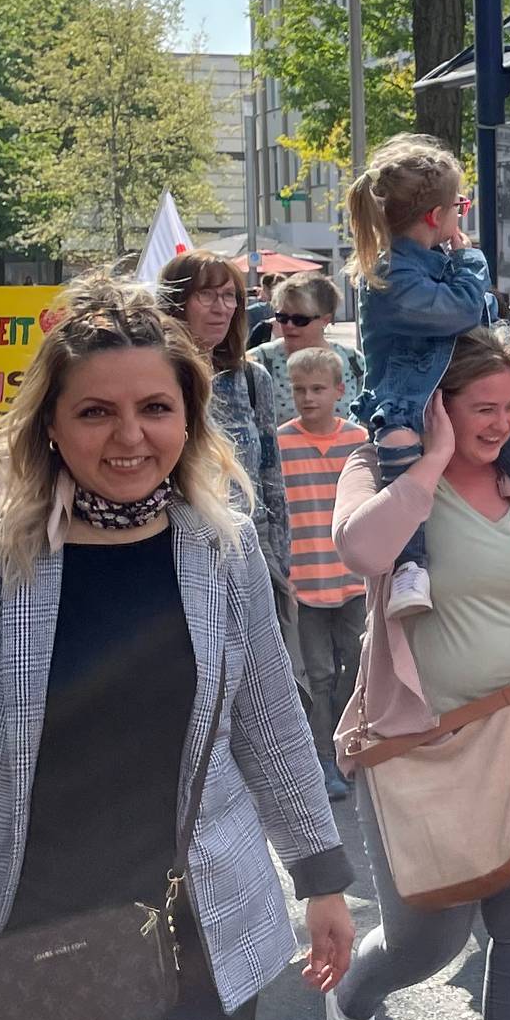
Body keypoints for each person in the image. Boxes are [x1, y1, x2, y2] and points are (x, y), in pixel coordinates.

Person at [0, 276, 355, 1020]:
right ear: (50, 423)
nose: (130, 436)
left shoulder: (222, 546)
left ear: (189, 418)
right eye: (95, 411)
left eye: (155, 408)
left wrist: (322, 876)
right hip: (27, 946)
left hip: (199, 943)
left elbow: (269, 720)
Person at [324, 327, 510, 1020]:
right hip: (417, 740)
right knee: (432, 939)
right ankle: (353, 999)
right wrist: (435, 460)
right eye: (482, 408)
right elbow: (361, 549)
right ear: (437, 406)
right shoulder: (380, 466)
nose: (502, 424)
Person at [346, 134, 510, 632]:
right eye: (459, 206)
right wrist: (472, 261)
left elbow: (482, 334)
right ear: (435, 216)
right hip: (409, 406)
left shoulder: (431, 266)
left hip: (455, 399)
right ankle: (411, 566)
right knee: (403, 455)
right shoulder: (390, 275)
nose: (461, 216)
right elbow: (465, 312)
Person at [160, 252, 294, 598]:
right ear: (176, 302)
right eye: (206, 295)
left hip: (252, 549)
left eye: (229, 295)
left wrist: (278, 560)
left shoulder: (251, 378)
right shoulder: (155, 379)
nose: (221, 307)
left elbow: (270, 476)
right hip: (179, 547)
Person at [277, 344, 372, 802]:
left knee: (356, 667)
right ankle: (322, 760)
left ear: (340, 390)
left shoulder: (359, 441)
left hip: (354, 580)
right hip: (305, 583)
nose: (308, 397)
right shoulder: (280, 442)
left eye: (317, 388)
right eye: (299, 389)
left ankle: (349, 747)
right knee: (317, 675)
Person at [251, 273, 366, 431]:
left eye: (300, 320)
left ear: (325, 320)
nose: (289, 325)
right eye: (282, 317)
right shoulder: (258, 362)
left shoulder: (353, 361)